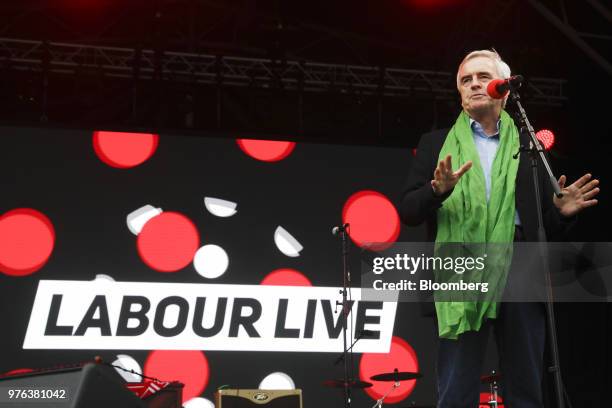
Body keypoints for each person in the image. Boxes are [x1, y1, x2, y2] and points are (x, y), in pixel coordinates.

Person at [399, 49, 600, 407]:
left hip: (520, 263)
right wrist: (436, 190)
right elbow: (408, 211)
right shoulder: (436, 144)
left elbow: (546, 227)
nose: (473, 84)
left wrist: (563, 212)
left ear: (503, 90)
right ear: (459, 93)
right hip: (462, 266)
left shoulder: (530, 146)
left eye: (482, 77)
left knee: (525, 384)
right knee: (456, 385)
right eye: (465, 80)